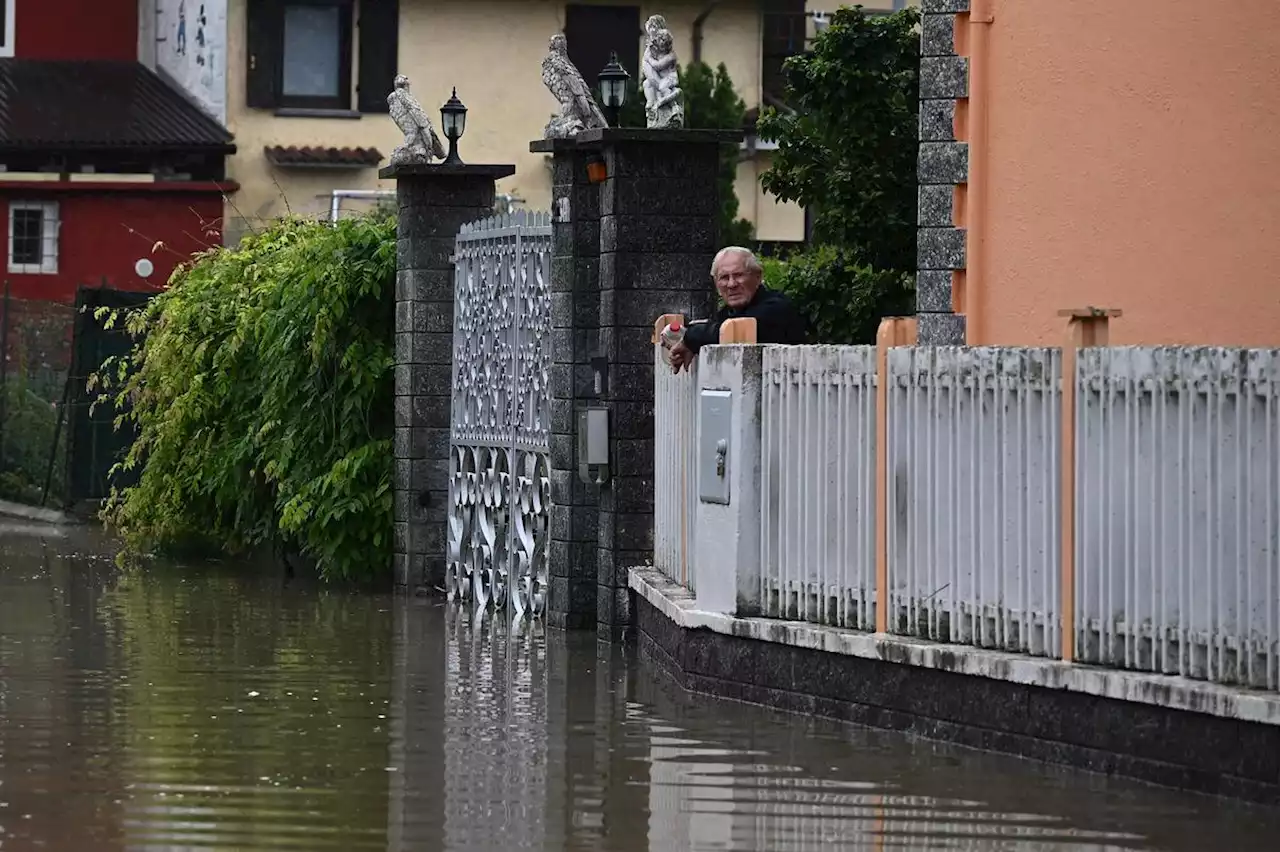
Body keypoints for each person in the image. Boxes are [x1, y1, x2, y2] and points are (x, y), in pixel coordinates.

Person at [668, 246, 806, 373]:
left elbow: (731, 331)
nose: (731, 284)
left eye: (739, 275)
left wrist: (690, 337)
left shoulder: (776, 308)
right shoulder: (727, 313)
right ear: (716, 283)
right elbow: (716, 331)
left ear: (758, 277)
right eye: (724, 277)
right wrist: (691, 344)